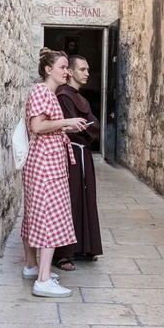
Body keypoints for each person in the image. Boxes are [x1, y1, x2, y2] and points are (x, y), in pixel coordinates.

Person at [21, 48, 88, 298]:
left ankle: (31, 267)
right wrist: (66, 123)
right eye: (62, 67)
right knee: (50, 217)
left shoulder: (49, 93)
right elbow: (37, 126)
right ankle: (44, 279)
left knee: (35, 215)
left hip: (44, 162)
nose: (66, 71)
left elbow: (46, 128)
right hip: (45, 165)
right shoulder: (41, 91)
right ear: (48, 70)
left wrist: (68, 127)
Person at [52, 55, 103, 271]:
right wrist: (85, 130)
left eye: (88, 69)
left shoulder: (79, 98)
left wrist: (86, 130)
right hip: (70, 154)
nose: (87, 73)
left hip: (83, 154)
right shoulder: (64, 96)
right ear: (70, 72)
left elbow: (94, 126)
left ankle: (82, 247)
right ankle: (63, 254)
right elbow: (73, 130)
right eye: (82, 69)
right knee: (70, 201)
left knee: (84, 199)